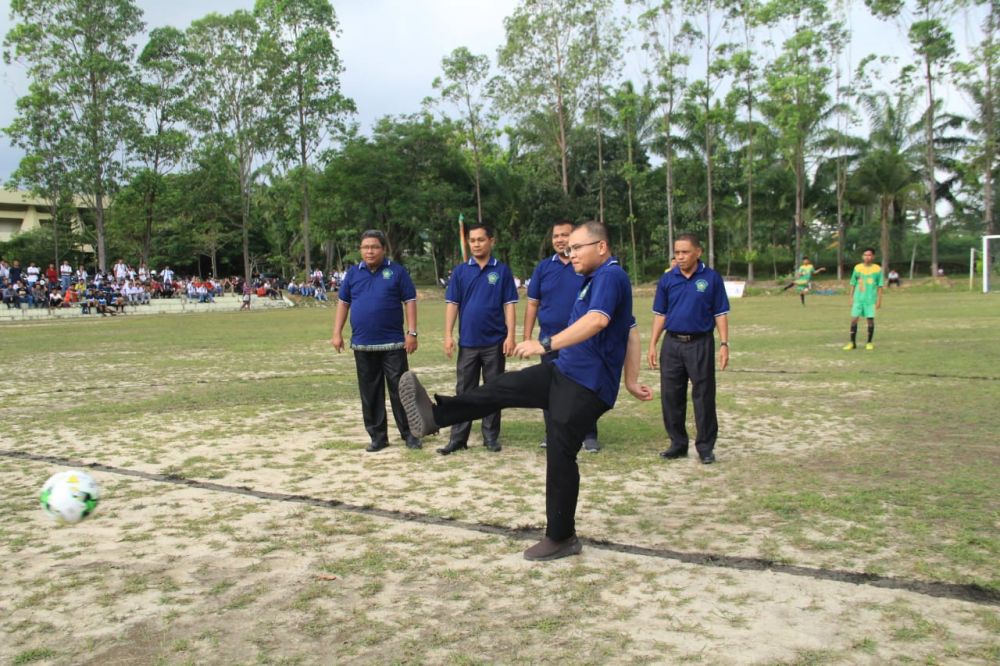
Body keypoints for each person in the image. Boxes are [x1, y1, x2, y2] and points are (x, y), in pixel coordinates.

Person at [399, 221, 653, 561]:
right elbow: (632, 331)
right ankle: (435, 416)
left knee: (560, 454)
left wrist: (545, 343)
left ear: (602, 247)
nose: (570, 253)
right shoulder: (594, 280)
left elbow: (598, 321)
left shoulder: (611, 276)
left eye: (577, 248)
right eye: (568, 248)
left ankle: (561, 537)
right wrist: (632, 380)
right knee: (502, 388)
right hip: (564, 372)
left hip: (586, 386)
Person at [331, 229, 422, 452]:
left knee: (400, 390)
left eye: (374, 247)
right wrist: (337, 333)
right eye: (365, 247)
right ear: (360, 250)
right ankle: (378, 436)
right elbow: (343, 303)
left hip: (393, 343)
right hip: (363, 344)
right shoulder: (352, 274)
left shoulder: (397, 272)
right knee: (370, 393)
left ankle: (409, 434)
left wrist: (412, 333)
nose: (369, 251)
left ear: (383, 249)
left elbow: (409, 301)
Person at [647, 234, 730, 465]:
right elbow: (660, 314)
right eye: (677, 252)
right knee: (671, 395)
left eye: (685, 252)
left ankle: (705, 447)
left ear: (698, 252)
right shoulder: (667, 280)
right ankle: (677, 443)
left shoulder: (711, 278)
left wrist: (724, 344)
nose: (680, 257)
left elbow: (720, 313)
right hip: (672, 343)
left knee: (703, 395)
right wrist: (653, 344)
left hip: (700, 343)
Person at [438, 223, 518, 456]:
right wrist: (448, 335)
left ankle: (491, 436)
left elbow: (509, 306)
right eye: (472, 240)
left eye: (480, 240)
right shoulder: (461, 272)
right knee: (464, 390)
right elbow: (453, 304)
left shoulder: (501, 271)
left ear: (491, 241)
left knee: (494, 390)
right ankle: (458, 438)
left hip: (495, 342)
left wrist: (511, 336)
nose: (476, 244)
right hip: (468, 343)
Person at [523, 219, 600, 453]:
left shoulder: (586, 267)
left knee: (584, 387)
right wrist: (528, 337)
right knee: (551, 388)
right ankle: (553, 433)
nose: (559, 240)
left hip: (581, 340)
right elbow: (532, 304)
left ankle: (589, 435)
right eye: (556, 236)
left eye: (565, 235)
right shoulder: (543, 268)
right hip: (548, 340)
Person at [843, 248, 884, 351]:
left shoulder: (878, 269)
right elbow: (853, 283)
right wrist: (850, 297)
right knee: (854, 320)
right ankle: (852, 343)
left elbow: (880, 286)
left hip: (870, 299)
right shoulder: (857, 268)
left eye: (869, 255)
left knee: (870, 320)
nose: (867, 257)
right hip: (858, 299)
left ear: (873, 257)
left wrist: (879, 300)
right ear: (862, 256)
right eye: (865, 255)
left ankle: (869, 342)